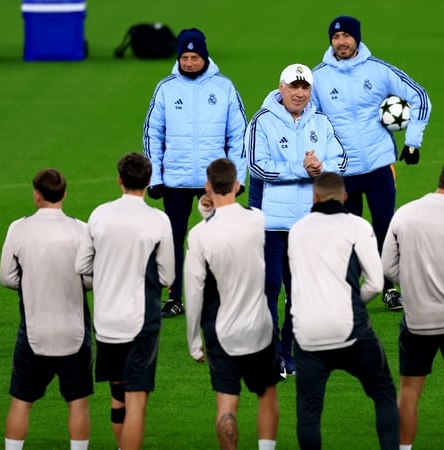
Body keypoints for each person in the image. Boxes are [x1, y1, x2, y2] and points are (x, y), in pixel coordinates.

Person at [311, 15, 432, 311]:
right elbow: (309, 122)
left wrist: (413, 142)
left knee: (385, 228)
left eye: (346, 36)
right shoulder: (319, 78)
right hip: (342, 171)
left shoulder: (379, 71)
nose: (341, 42)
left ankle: (389, 287)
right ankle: (351, 289)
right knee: (348, 232)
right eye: (336, 37)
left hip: (379, 165)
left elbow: (420, 96)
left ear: (357, 38)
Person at [246, 63, 348, 376]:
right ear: (281, 88)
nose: (299, 93)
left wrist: (321, 167)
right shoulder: (262, 121)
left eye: (305, 87)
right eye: (294, 87)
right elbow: (257, 166)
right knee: (269, 289)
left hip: (307, 225)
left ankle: (288, 351)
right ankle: (272, 353)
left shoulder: (321, 121)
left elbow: (342, 161)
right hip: (271, 224)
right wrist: (301, 170)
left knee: (300, 292)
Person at [288, 172, 398, 450]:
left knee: (309, 412)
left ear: (314, 197)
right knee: (384, 393)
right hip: (351, 332)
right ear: (345, 197)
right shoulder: (358, 226)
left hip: (308, 334)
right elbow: (376, 283)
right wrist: (353, 302)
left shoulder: (297, 231)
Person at [143, 27, 247, 319]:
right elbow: (153, 133)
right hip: (175, 181)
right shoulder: (166, 88)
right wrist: (156, 177)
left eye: (194, 57)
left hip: (213, 182)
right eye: (184, 58)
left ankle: (217, 295)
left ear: (205, 57)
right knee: (173, 240)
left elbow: (238, 135)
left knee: (217, 240)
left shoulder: (224, 87)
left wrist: (236, 178)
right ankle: (175, 297)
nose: (189, 63)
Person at [75, 152, 174, 450]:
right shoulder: (158, 220)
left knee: (118, 396)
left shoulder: (99, 215)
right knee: (136, 402)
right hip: (140, 322)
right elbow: (167, 275)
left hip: (106, 321)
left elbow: (82, 266)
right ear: (148, 181)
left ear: (119, 179)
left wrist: (109, 271)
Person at [184, 158, 282, 450]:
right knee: (266, 395)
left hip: (221, 331)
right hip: (259, 328)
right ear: (238, 186)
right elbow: (233, 221)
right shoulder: (257, 220)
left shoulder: (200, 234)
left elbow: (193, 291)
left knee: (226, 403)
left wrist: (193, 342)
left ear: (207, 187)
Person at [381, 155, 444, 449]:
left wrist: (413, 283)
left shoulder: (404, 214)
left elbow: (387, 267)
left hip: (416, 318)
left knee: (409, 392)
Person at [0, 168, 94, 450]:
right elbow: (91, 278)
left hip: (34, 331)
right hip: (74, 331)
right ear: (64, 194)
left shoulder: (19, 228)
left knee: (21, 402)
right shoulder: (81, 230)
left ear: (36, 196)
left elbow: (7, 277)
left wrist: (33, 282)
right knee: (78, 403)